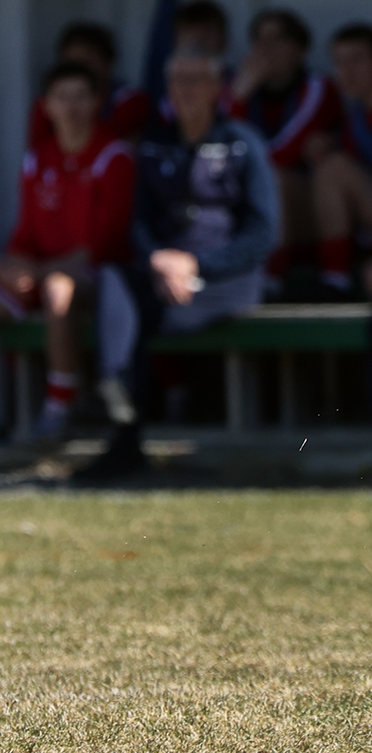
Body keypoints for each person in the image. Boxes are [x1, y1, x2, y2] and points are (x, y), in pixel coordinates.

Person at [79, 47, 278, 481]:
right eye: (176, 81)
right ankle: (114, 390)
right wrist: (159, 259)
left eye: (195, 80)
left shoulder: (242, 143)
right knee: (115, 280)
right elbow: (139, 225)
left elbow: (263, 232)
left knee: (144, 314)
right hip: (165, 273)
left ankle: (126, 432)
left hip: (226, 278)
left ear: (216, 87)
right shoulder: (154, 144)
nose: (184, 91)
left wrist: (198, 264)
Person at [1, 62, 135, 443]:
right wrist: (15, 264)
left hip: (104, 279)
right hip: (42, 271)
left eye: (80, 97)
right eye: (63, 98)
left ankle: (60, 407)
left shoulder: (114, 156)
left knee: (58, 288)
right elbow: (26, 232)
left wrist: (37, 272)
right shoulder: (37, 158)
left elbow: (104, 244)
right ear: (47, 106)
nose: (72, 107)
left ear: (96, 102)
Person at [229, 7, 343, 287]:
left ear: (300, 49)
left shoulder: (318, 88)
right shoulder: (239, 88)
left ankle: (275, 279)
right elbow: (222, 147)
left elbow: (285, 152)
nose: (267, 50)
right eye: (260, 41)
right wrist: (239, 97)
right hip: (253, 211)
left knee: (274, 178)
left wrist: (238, 102)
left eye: (278, 40)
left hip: (311, 208)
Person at [312, 23, 372, 303]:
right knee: (327, 168)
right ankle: (332, 279)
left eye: (357, 60)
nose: (347, 72)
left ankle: (335, 280)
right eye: (339, 63)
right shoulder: (352, 118)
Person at [27, 22, 150, 147]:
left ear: (108, 62)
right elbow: (38, 149)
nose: (79, 71)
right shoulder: (47, 101)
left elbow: (102, 142)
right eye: (71, 65)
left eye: (87, 62)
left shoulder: (129, 99)